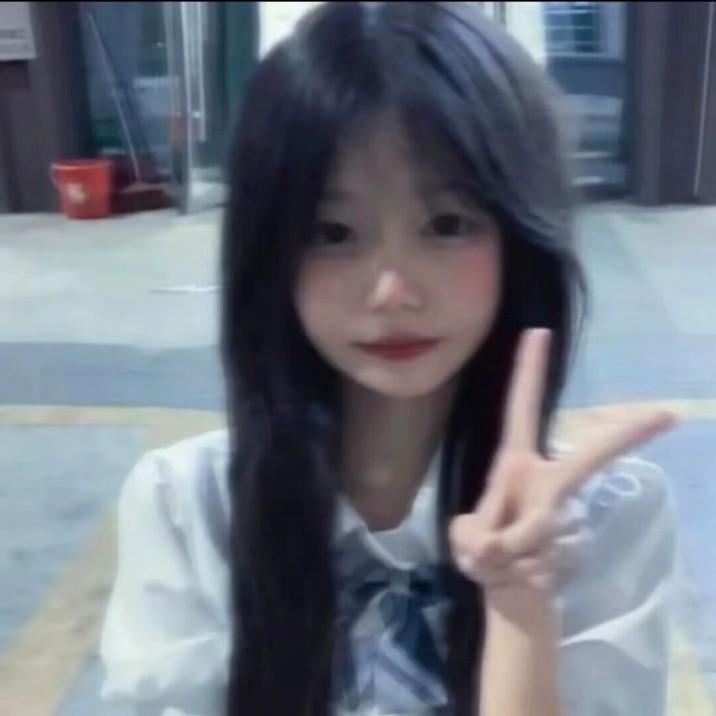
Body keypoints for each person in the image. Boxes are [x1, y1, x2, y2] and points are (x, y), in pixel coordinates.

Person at [99, 3, 678, 715]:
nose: (392, 291)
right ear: (269, 253)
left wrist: (520, 605)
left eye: (447, 224)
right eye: (331, 232)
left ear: (520, 238)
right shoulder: (189, 508)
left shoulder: (605, 516)